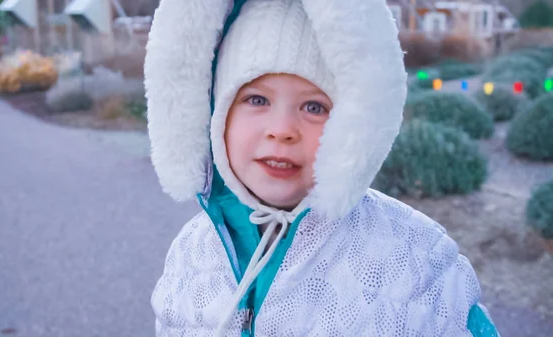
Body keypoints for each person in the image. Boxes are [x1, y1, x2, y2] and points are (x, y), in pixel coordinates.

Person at [144, 0, 500, 336]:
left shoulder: (415, 259)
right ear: (216, 116)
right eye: (257, 99)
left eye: (314, 107)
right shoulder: (192, 252)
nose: (282, 130)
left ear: (355, 125)